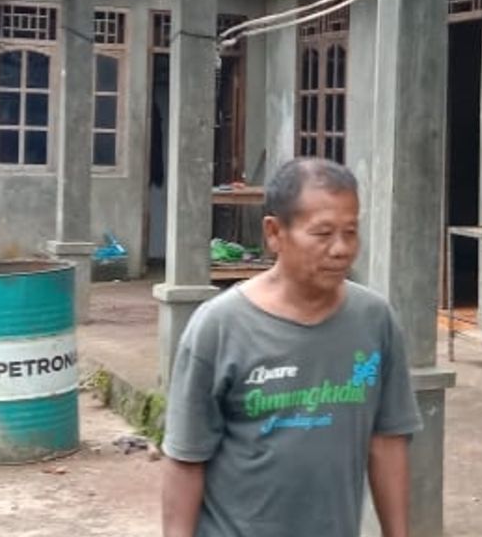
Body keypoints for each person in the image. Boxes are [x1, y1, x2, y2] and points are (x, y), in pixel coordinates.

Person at [161, 158, 422, 537]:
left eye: (351, 232)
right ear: (274, 233)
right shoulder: (219, 327)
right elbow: (186, 459)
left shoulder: (375, 320)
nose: (341, 249)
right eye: (323, 233)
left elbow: (387, 441)